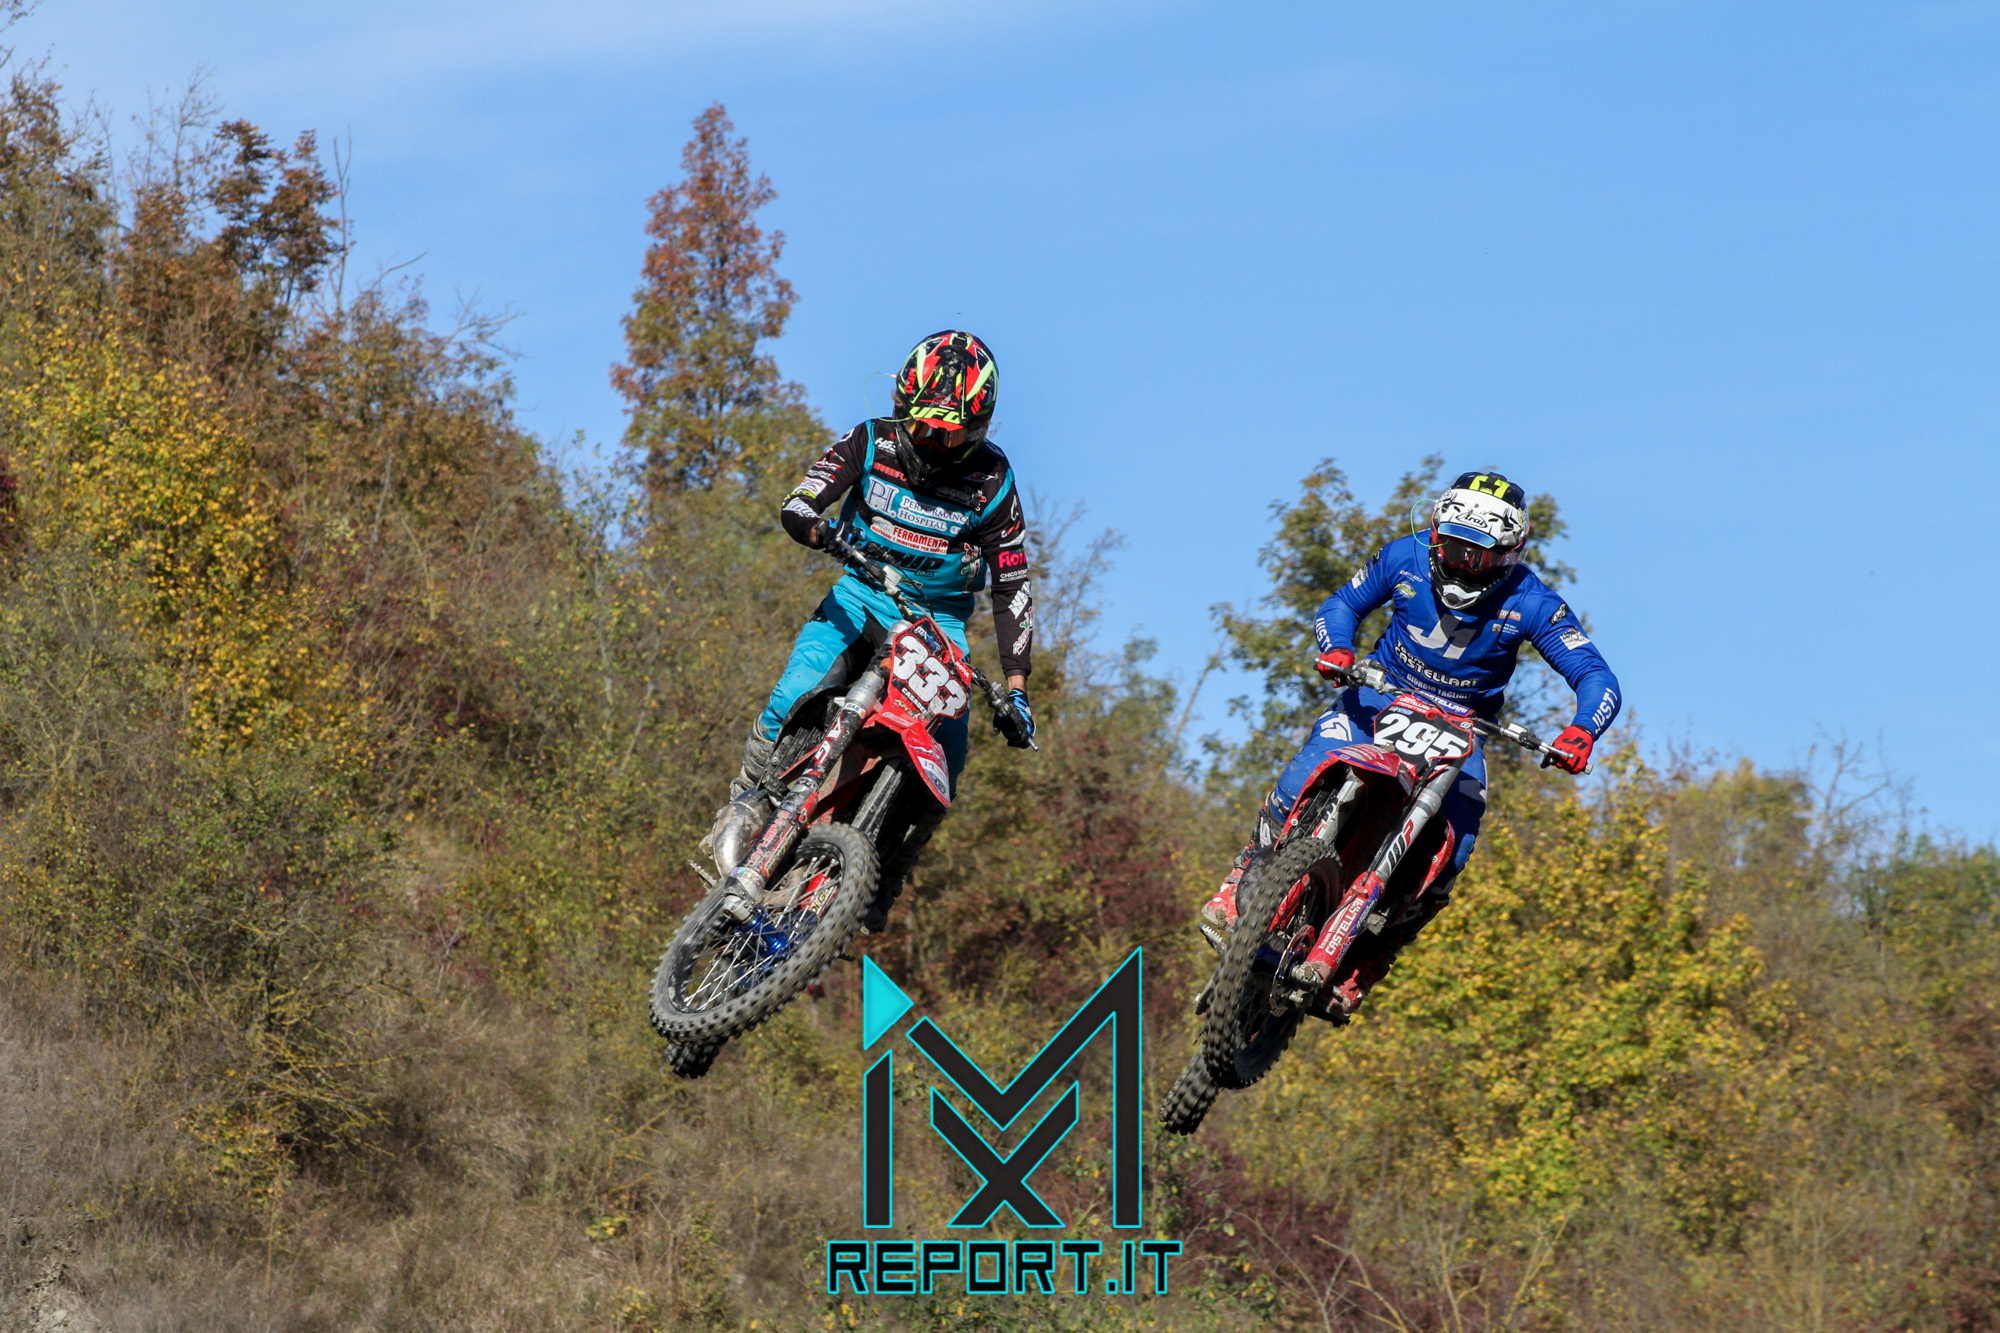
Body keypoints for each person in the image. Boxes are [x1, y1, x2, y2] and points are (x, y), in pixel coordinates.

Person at [1199, 470, 1621, 1014]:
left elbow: (1595, 674)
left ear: (1510, 553)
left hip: (1463, 729)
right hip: (1380, 695)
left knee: (1455, 848)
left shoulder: (1534, 601)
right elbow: (1342, 604)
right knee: (1302, 771)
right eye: (1452, 545)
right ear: (1435, 530)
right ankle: (1246, 871)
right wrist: (1337, 648)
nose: (1461, 562)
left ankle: (1369, 960)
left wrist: (1583, 729)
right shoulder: (1404, 556)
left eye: (1477, 554)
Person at [708, 330, 1036, 931]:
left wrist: (1016, 689)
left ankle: (884, 876)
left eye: (951, 434)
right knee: (796, 689)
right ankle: (747, 797)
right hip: (861, 593)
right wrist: (813, 525)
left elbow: (1012, 581)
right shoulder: (870, 440)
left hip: (936, 625)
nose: (934, 442)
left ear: (980, 427)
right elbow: (800, 500)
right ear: (902, 407)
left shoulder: (994, 480)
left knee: (949, 753)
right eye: (924, 427)